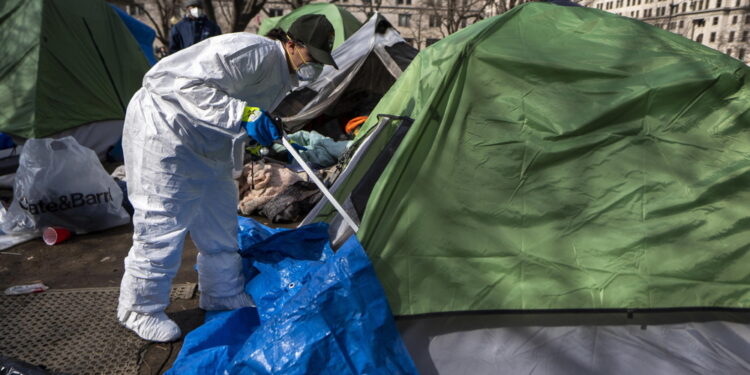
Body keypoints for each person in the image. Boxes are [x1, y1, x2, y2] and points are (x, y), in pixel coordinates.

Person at [117, 14, 338, 342]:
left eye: (320, 61)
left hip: (207, 145)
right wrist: (245, 114)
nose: (313, 67)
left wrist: (253, 125)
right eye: (311, 58)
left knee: (220, 222)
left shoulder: (283, 75)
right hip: (165, 132)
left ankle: (221, 292)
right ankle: (139, 308)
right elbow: (181, 84)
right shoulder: (252, 51)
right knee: (161, 225)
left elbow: (237, 106)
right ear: (291, 44)